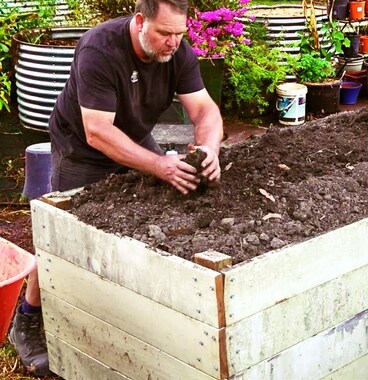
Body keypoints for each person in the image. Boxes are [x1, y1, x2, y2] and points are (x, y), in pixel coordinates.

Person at [9, 0, 224, 375]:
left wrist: (208, 148)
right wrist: (159, 165)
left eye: (179, 34)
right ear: (140, 21)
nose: (173, 43)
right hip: (82, 147)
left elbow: (204, 110)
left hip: (136, 136)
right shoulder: (100, 49)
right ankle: (27, 317)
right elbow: (98, 132)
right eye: (164, 34)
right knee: (63, 235)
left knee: (168, 201)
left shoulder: (178, 49)